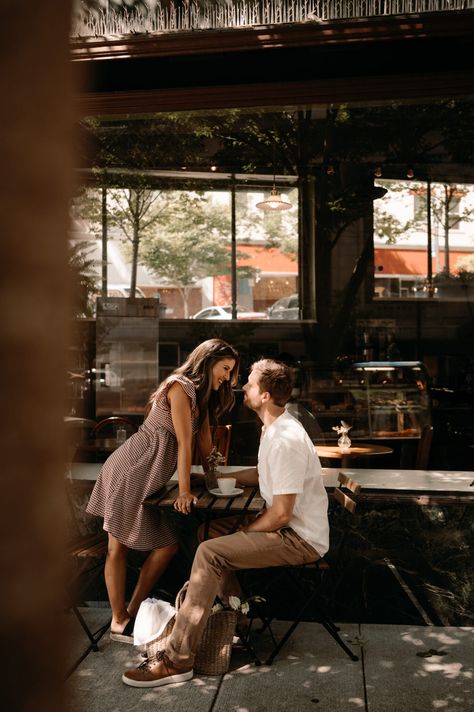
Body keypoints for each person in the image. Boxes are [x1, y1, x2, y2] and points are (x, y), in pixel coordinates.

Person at [122, 358, 329, 687]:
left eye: (249, 382)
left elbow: (281, 514)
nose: (242, 386)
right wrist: (214, 478)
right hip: (285, 527)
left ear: (264, 395)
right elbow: (262, 475)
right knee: (208, 532)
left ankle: (178, 660)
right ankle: (238, 618)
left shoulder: (285, 439)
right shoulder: (274, 428)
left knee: (210, 552)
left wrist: (244, 533)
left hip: (298, 538)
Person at [86, 338, 239, 643]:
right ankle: (119, 620)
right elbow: (184, 443)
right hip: (130, 470)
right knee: (117, 547)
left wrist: (212, 480)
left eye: (231, 372)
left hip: (149, 477)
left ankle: (131, 611)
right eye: (225, 368)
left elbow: (205, 449)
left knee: (167, 546)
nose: (227, 377)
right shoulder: (179, 387)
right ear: (208, 362)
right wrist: (183, 491)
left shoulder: (202, 399)